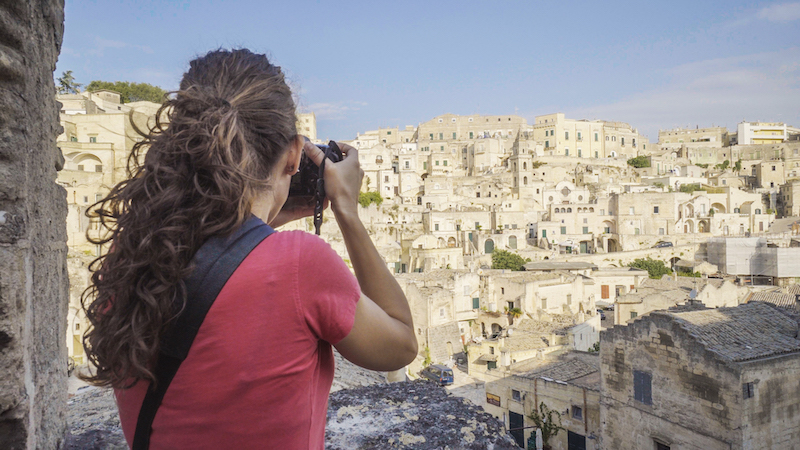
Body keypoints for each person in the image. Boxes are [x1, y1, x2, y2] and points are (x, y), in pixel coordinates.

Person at [80, 48, 418, 449]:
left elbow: (219, 264)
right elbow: (400, 346)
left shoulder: (134, 248)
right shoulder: (300, 265)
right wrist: (347, 210)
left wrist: (267, 219)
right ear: (294, 154)